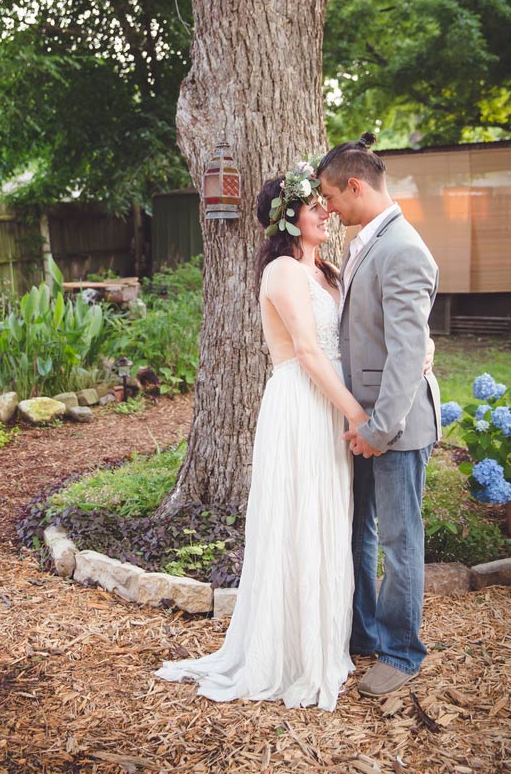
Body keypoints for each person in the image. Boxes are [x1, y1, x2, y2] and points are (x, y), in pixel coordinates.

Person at [155, 161, 369, 710]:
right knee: (300, 516)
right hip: (302, 404)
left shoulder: (329, 271)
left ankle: (326, 636)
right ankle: (291, 652)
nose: (325, 211)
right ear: (287, 217)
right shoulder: (281, 272)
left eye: (325, 203)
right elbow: (307, 351)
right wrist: (355, 413)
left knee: (328, 515)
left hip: (332, 403)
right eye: (313, 204)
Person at [317, 132, 441, 699]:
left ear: (355, 186)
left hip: (396, 426)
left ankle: (400, 652)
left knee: (398, 539)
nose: (328, 209)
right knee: (359, 532)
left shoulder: (404, 249)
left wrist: (378, 429)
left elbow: (407, 354)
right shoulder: (369, 241)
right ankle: (364, 634)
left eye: (330, 197)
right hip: (364, 421)